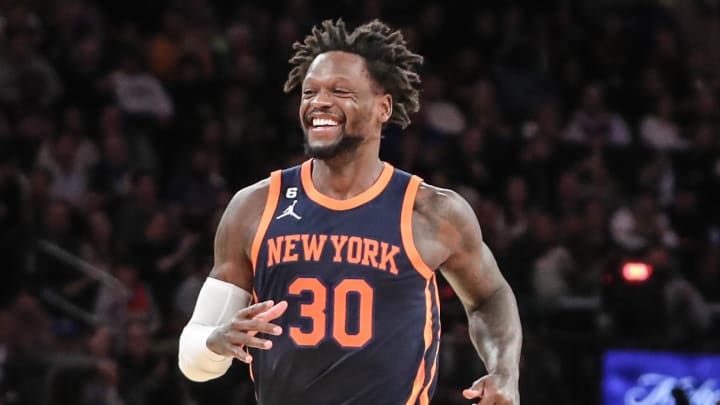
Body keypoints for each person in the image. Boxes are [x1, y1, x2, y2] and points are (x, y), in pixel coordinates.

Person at [178, 19, 522, 405]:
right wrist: (216, 342)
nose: (319, 102)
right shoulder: (255, 207)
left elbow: (489, 296)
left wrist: (505, 371)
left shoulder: (430, 211)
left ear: (383, 107)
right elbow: (193, 358)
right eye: (310, 92)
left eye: (340, 91)